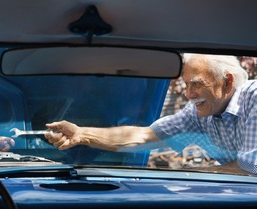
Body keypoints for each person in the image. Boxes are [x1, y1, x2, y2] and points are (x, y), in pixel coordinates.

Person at [45, 54, 257, 175]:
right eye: (186, 85)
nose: (188, 94)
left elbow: (251, 167)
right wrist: (82, 134)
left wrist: (196, 173)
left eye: (197, 85)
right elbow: (144, 137)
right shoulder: (199, 113)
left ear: (227, 81)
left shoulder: (254, 97)